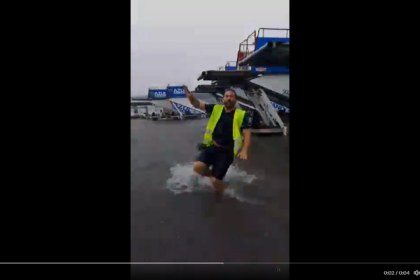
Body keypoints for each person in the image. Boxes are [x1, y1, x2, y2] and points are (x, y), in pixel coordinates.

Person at [184, 85, 251, 196]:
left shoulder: (242, 115)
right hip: (213, 146)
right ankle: (213, 176)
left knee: (216, 183)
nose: (229, 98)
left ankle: (223, 196)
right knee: (198, 167)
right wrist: (190, 97)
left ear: (235, 99)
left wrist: (244, 150)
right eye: (227, 96)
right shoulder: (216, 108)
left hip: (227, 151)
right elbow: (197, 104)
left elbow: (247, 134)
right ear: (223, 98)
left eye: (231, 96)